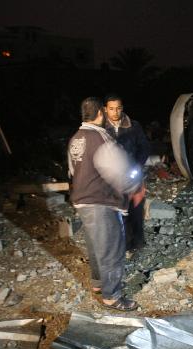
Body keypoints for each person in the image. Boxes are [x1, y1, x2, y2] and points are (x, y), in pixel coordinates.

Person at [68, 97, 144, 311]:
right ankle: (112, 296)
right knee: (112, 249)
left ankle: (98, 284)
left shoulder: (76, 138)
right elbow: (118, 171)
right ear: (100, 113)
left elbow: (72, 171)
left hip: (82, 201)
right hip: (101, 202)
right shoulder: (100, 139)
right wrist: (134, 187)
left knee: (95, 245)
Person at [104, 94, 150, 251]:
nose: (115, 112)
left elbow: (144, 148)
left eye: (118, 108)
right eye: (111, 109)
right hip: (111, 179)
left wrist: (137, 166)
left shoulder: (134, 126)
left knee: (136, 210)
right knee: (116, 212)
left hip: (132, 176)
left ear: (122, 108)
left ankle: (137, 242)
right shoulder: (102, 128)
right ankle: (121, 245)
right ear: (105, 109)